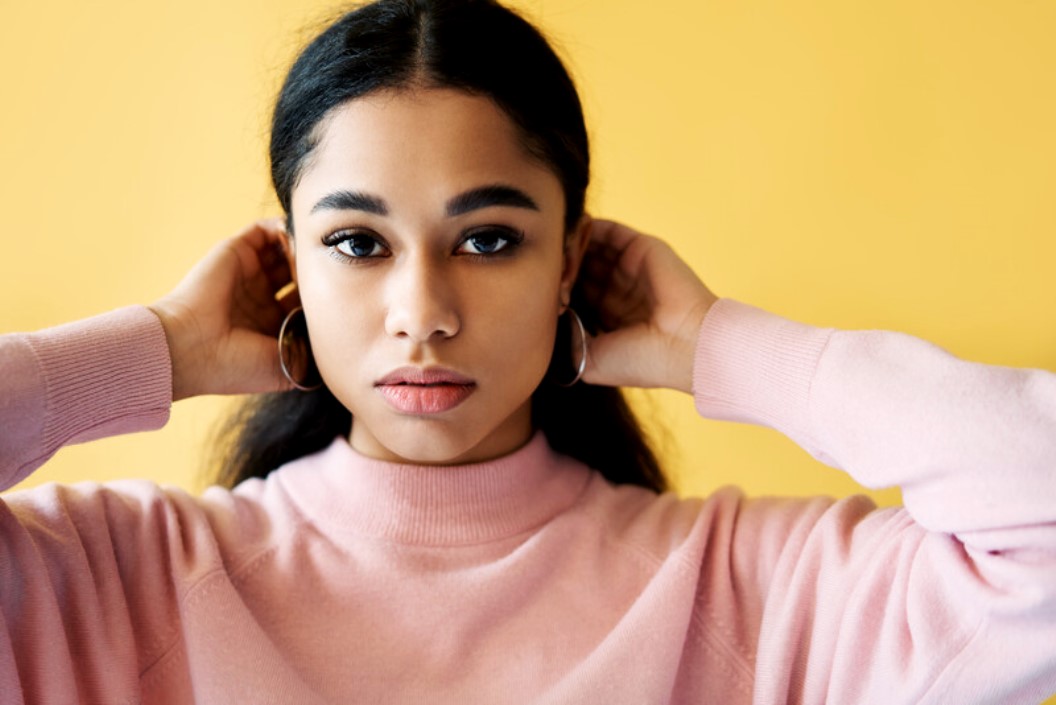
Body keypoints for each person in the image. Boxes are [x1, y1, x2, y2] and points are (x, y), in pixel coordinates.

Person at [2, 0, 1054, 702]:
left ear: (571, 264)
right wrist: (152, 354)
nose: (423, 312)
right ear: (288, 269)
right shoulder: (111, 584)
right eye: (356, 243)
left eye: (489, 239)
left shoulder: (750, 591)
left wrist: (721, 347)